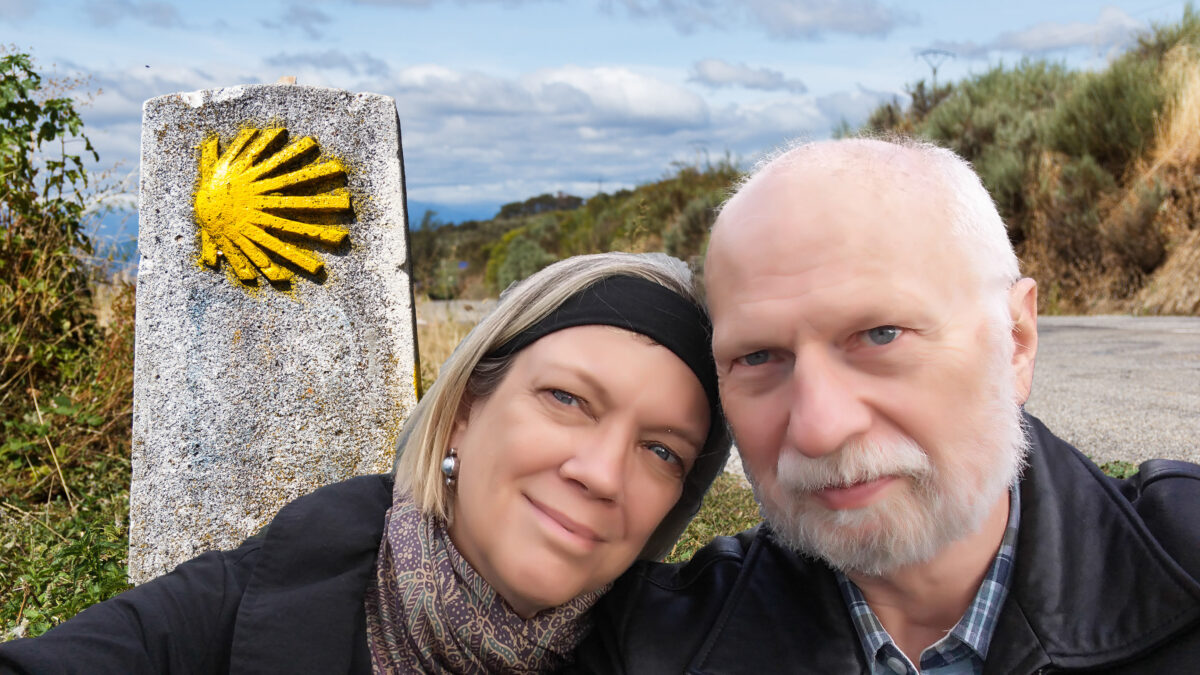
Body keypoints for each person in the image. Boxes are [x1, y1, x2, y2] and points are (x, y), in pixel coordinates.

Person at [576, 138, 1200, 673]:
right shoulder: (647, 644)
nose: (819, 429)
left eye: (881, 335)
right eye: (759, 357)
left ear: (1016, 341)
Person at [0, 252, 731, 674]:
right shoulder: (223, 613)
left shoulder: (688, 646)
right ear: (466, 411)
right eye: (567, 399)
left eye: (662, 450)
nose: (602, 473)